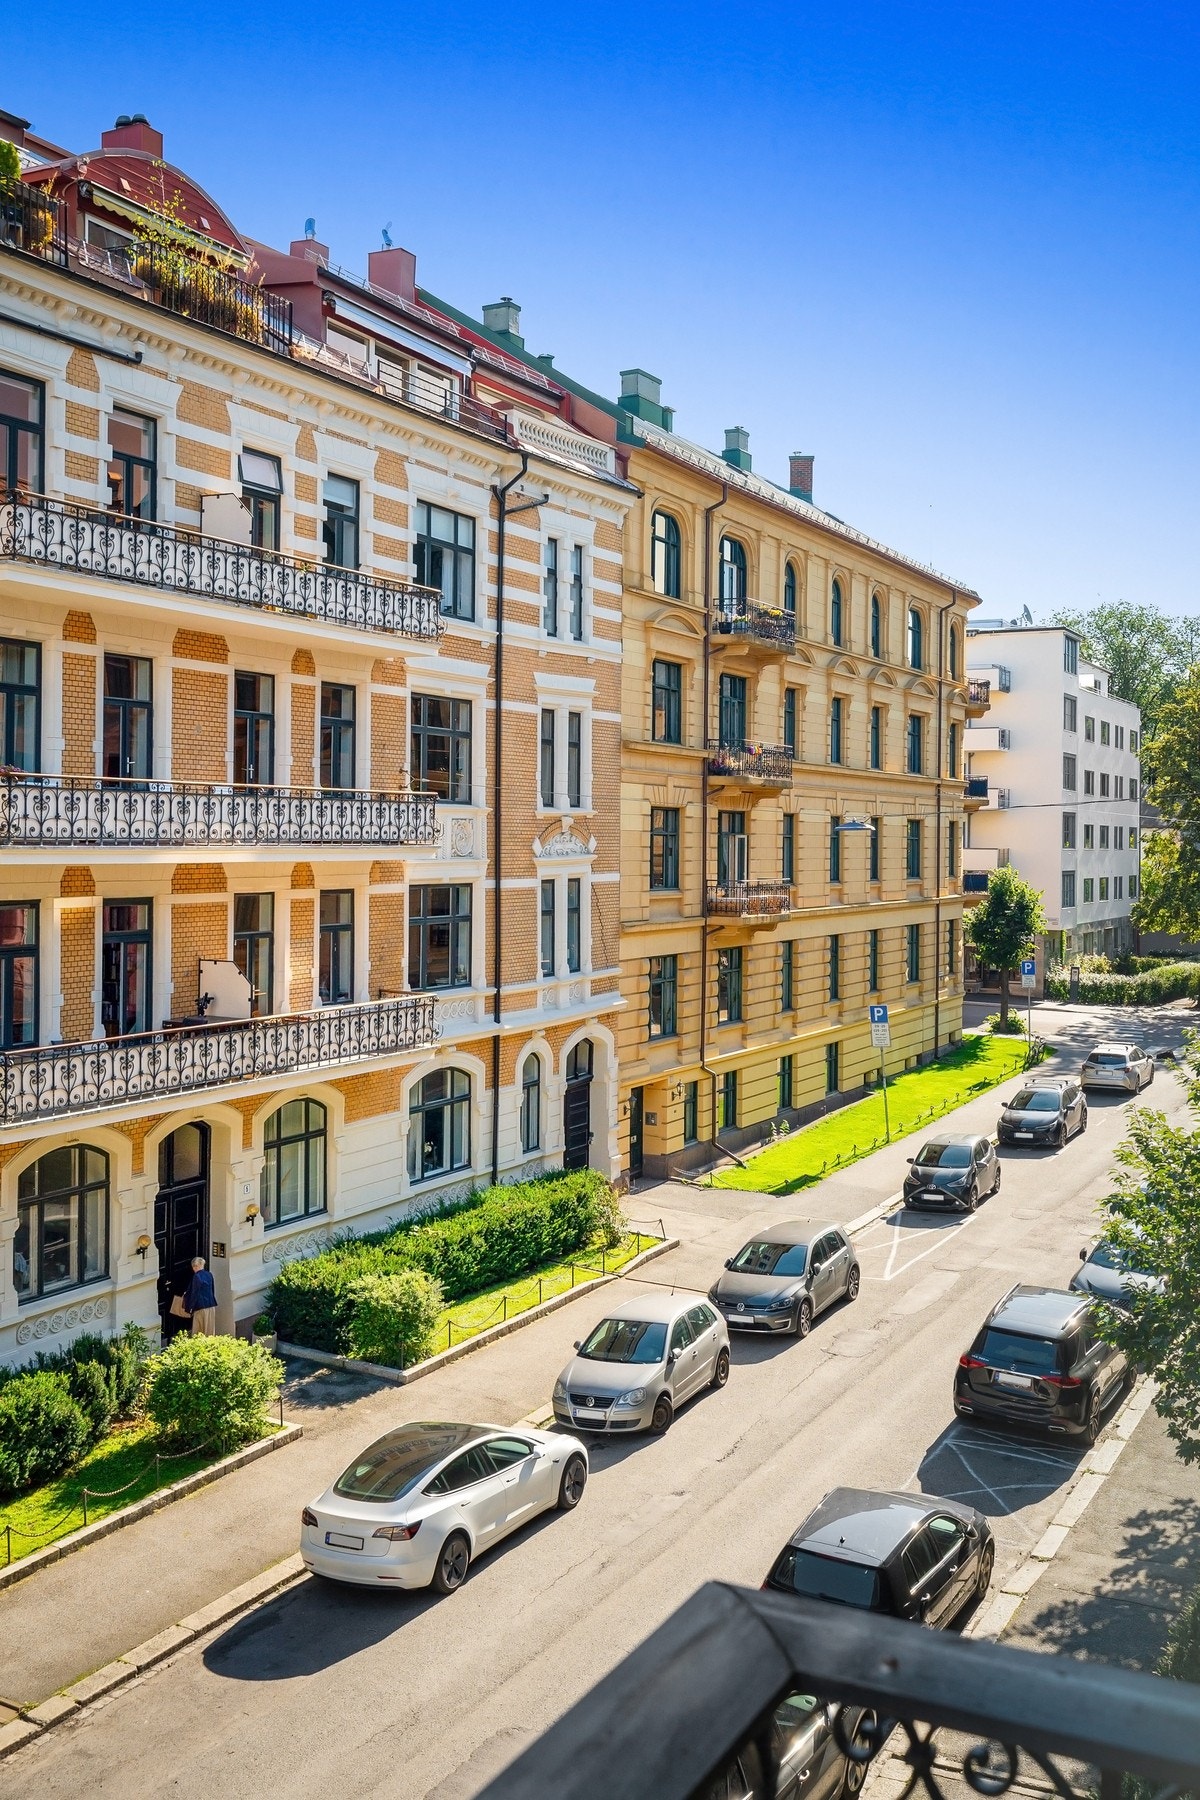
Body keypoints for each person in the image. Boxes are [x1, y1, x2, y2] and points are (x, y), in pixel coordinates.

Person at [183, 1256, 218, 1335]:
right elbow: (212, 1289)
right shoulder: (209, 1274)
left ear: (195, 1266)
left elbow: (195, 1293)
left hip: (200, 1307)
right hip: (211, 1305)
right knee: (210, 1330)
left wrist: (190, 1308)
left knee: (198, 1331)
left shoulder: (196, 1276)